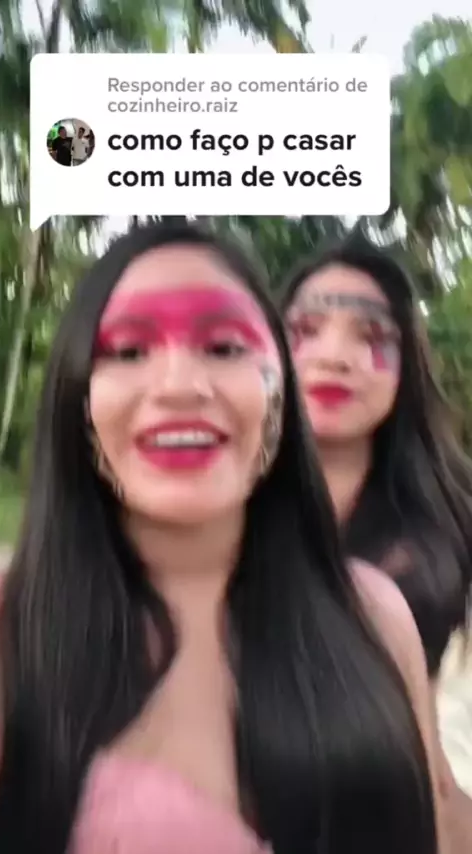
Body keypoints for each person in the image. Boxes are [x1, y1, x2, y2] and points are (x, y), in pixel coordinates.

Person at [0, 223, 442, 854]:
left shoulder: (376, 614)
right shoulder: (5, 631)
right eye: (129, 352)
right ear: (75, 396)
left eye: (225, 348)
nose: (179, 386)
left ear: (282, 392)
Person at [281, 232, 472, 849]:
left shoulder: (457, 525)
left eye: (370, 338)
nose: (335, 357)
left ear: (407, 366)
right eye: (306, 331)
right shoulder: (203, 516)